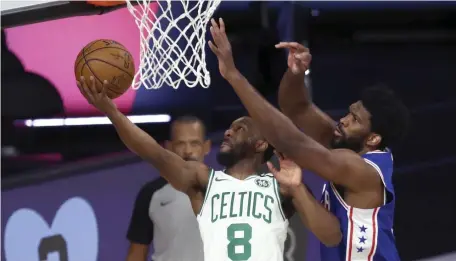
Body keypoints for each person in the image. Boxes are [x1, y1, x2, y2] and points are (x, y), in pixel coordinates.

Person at [208, 17, 410, 261]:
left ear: (374, 138)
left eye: (355, 119)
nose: (344, 120)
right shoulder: (346, 145)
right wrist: (296, 74)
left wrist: (233, 75)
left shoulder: (359, 169)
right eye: (349, 112)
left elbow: (290, 140)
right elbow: (298, 108)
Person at [76, 79, 341, 261]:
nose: (228, 131)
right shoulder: (203, 181)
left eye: (240, 129)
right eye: (230, 127)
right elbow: (151, 151)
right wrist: (111, 111)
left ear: (261, 143)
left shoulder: (282, 186)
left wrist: (298, 190)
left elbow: (331, 237)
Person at [126, 116, 210, 261]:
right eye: (181, 144)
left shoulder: (225, 187)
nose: (188, 151)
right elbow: (136, 253)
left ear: (206, 147)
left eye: (194, 143)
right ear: (169, 147)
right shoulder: (151, 193)